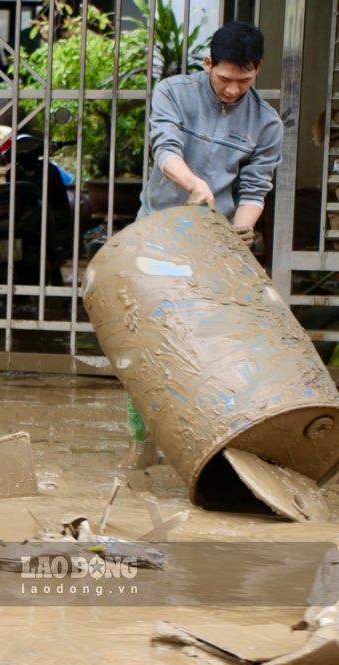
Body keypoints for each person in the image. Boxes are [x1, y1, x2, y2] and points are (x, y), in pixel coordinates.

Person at [124, 20, 283, 468]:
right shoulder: (173, 92)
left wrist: (242, 230)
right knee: (150, 344)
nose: (233, 90)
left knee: (209, 348)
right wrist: (196, 185)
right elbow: (164, 147)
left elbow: (255, 188)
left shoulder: (267, 123)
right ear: (207, 62)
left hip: (215, 247)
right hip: (158, 236)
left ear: (259, 71)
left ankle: (206, 443)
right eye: (224, 79)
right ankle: (142, 442)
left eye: (245, 81)